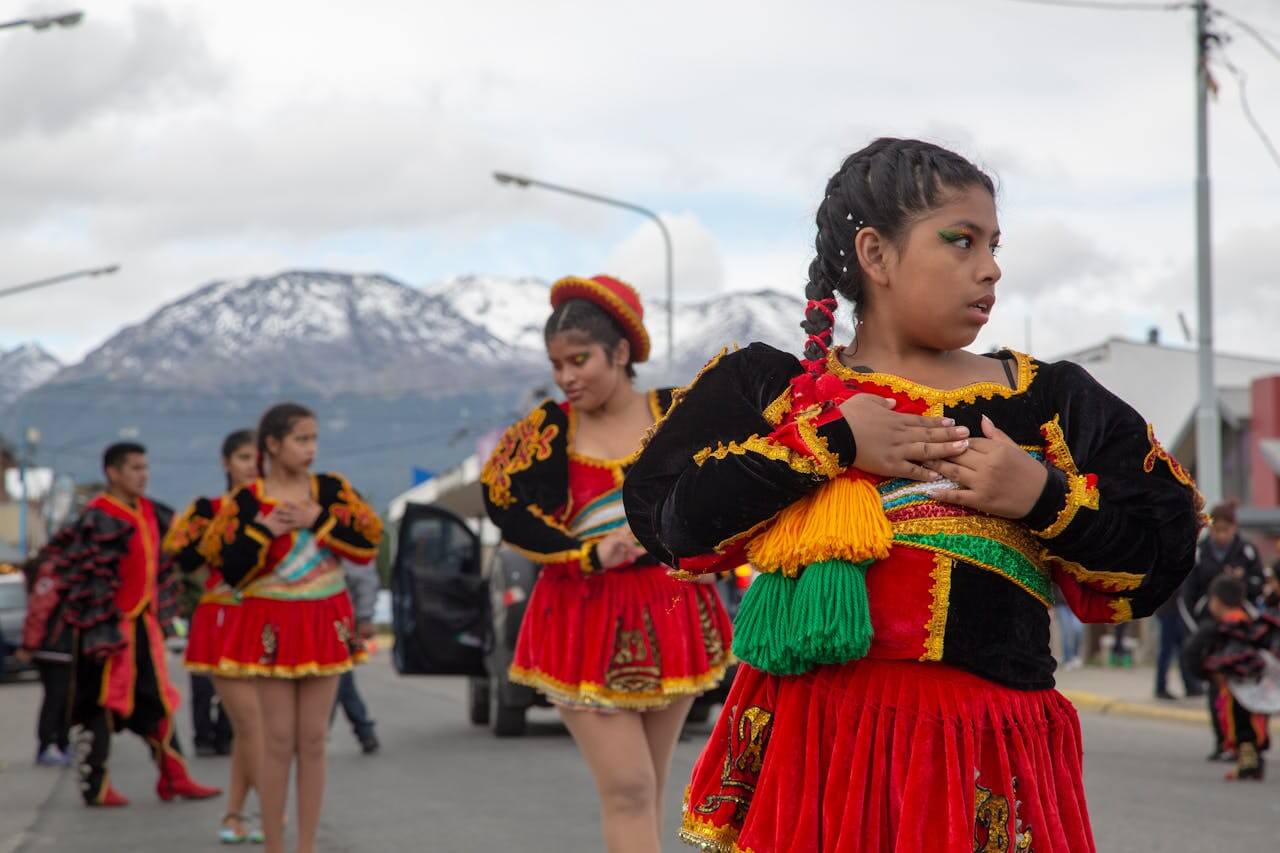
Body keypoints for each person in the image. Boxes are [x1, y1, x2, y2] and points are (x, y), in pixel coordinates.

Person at [623, 138, 1203, 852]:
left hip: (980, 750)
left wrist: (1041, 498)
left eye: (994, 244)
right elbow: (667, 518)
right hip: (819, 743)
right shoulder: (774, 392)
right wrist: (829, 442)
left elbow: (1161, 551)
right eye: (960, 241)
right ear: (875, 253)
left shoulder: (1047, 403)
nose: (989, 267)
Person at [481, 275, 733, 853]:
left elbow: (727, 492)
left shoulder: (676, 413)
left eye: (579, 360)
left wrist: (695, 543)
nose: (567, 377)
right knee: (627, 787)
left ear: (620, 352)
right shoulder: (548, 431)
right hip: (581, 612)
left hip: (671, 609)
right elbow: (505, 504)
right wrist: (587, 550)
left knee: (650, 788)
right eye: (557, 365)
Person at [198, 403, 380, 853]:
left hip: (325, 619)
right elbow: (226, 567)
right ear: (273, 445)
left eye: (314, 439)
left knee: (314, 740)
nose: (311, 449)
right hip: (269, 622)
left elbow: (369, 543)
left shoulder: (331, 490)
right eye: (302, 440)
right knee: (278, 740)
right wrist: (261, 531)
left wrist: (317, 520)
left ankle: (307, 846)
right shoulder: (247, 501)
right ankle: (274, 845)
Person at [21, 442, 221, 807]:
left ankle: (174, 777)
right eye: (134, 468)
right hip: (104, 629)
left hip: (144, 626)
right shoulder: (97, 516)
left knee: (158, 700)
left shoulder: (152, 511)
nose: (143, 475)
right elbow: (77, 573)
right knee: (96, 703)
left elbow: (181, 552)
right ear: (113, 472)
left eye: (145, 467)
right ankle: (95, 785)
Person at [164, 429, 264, 844]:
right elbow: (184, 558)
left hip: (268, 619)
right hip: (222, 618)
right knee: (253, 723)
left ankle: (235, 814)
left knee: (249, 727)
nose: (252, 465)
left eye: (257, 457)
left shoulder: (281, 505)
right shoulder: (208, 510)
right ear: (226, 462)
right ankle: (268, 809)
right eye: (243, 457)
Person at [1182, 502, 1264, 759]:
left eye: (1226, 530)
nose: (1221, 535)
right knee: (1217, 688)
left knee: (1243, 687)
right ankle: (1222, 740)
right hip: (1211, 629)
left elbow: (1259, 584)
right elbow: (1188, 593)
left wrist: (1242, 581)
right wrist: (1199, 627)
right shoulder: (1199, 553)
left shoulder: (1247, 551)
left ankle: (1247, 742)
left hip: (1241, 629)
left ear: (1234, 529)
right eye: (1216, 530)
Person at [1183, 575, 1274, 781]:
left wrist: (1206, 674)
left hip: (1227, 686)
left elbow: (1192, 654)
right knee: (1254, 721)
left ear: (1214, 601)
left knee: (1237, 723)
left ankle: (1246, 758)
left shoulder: (1214, 629)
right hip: (1256, 686)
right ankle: (1253, 759)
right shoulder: (1254, 626)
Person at [16, 550, 73, 766]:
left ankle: (61, 743)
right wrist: (30, 645)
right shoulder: (52, 574)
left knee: (64, 699)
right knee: (55, 700)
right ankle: (48, 746)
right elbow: (39, 611)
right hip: (54, 649)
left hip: (62, 649)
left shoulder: (63, 571)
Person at [330, 561, 380, 754]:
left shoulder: (340, 536)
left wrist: (365, 618)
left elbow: (364, 579)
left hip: (340, 621)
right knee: (343, 678)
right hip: (315, 621)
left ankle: (318, 730)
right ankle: (364, 730)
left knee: (339, 675)